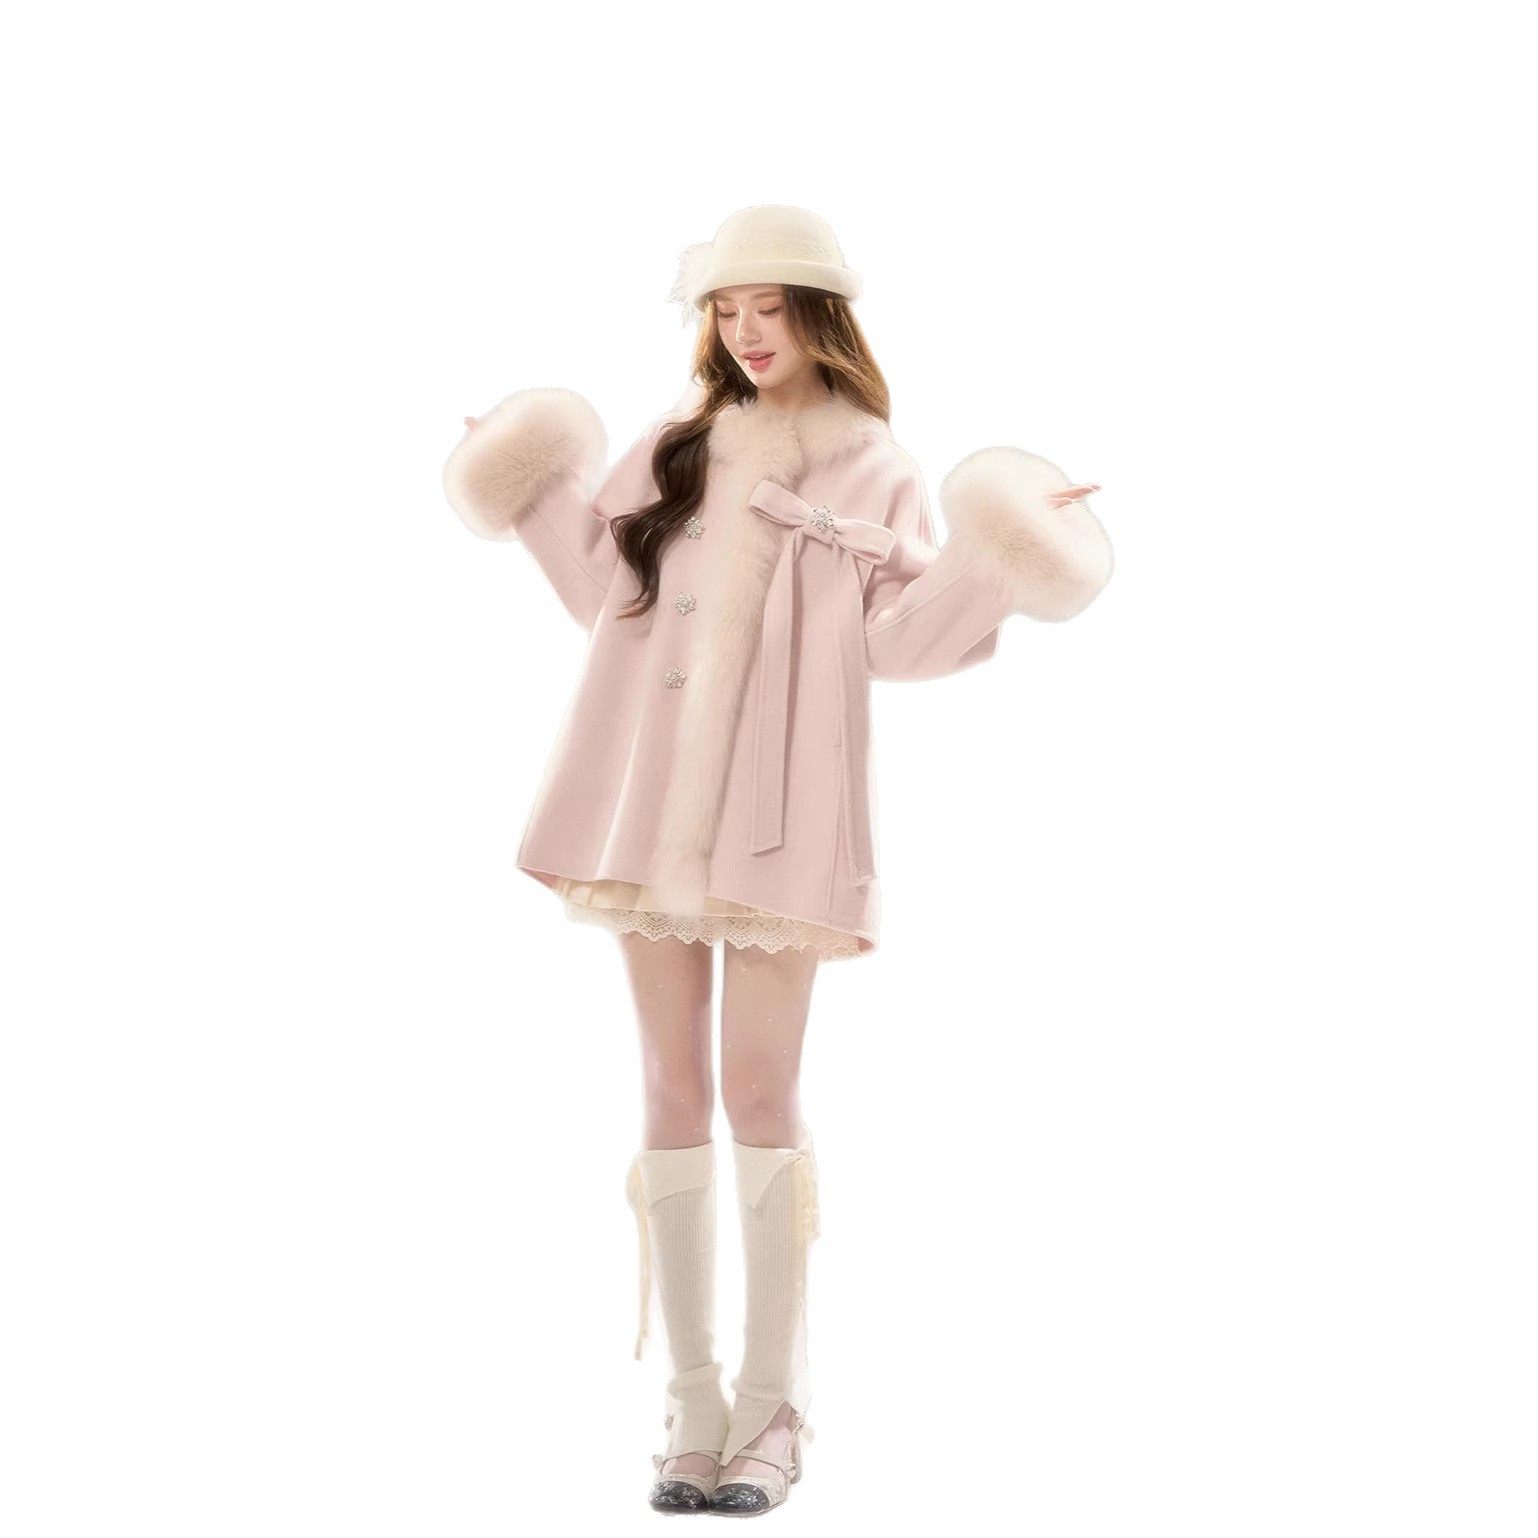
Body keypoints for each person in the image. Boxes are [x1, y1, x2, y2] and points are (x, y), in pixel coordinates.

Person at [442, 204, 1112, 1515]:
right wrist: (529, 485)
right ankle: (691, 1403)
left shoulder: (872, 462)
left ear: (820, 316)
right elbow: (600, 594)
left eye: (770, 307)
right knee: (666, 1085)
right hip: (647, 806)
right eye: (727, 310)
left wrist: (999, 553)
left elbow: (898, 645)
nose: (747, 332)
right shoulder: (677, 441)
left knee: (759, 1086)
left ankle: (774, 1403)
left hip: (777, 812)